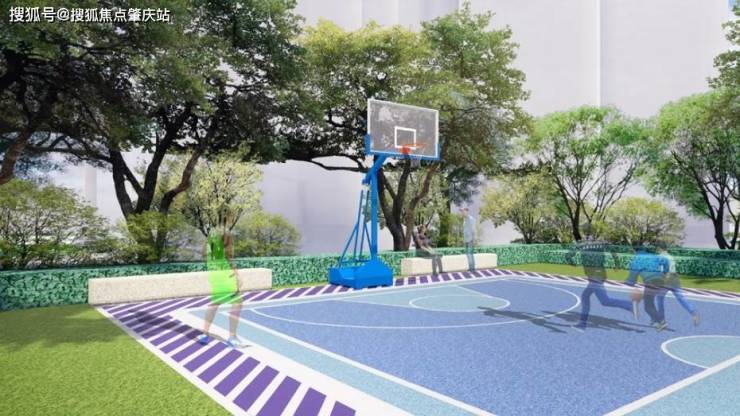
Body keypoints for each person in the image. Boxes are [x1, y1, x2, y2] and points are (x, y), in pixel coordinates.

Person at [566, 234, 634, 330]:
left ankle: (629, 305)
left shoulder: (582, 245)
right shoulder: (599, 244)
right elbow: (613, 250)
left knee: (605, 301)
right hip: (598, 274)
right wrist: (616, 263)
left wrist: (572, 262)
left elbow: (568, 256)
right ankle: (582, 323)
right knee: (586, 297)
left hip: (595, 276)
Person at [198, 214, 246, 348]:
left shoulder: (211, 234)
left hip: (214, 273)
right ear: (228, 219)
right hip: (225, 273)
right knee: (237, 303)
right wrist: (236, 274)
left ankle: (204, 334)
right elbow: (229, 256)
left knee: (215, 303)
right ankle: (232, 337)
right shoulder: (226, 233)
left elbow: (203, 253)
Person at [625, 245, 670, 331]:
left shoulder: (636, 259)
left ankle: (661, 321)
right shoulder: (653, 256)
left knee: (647, 306)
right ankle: (654, 318)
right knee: (650, 300)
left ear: (634, 251)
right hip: (661, 280)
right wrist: (664, 272)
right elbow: (665, 261)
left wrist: (629, 283)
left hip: (650, 282)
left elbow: (632, 277)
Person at [656, 243, 700, 326]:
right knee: (681, 298)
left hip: (667, 280)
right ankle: (693, 312)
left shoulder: (660, 257)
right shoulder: (671, 257)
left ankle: (662, 321)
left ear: (659, 248)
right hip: (675, 280)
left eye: (657, 248)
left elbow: (661, 271)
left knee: (659, 298)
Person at [460, 207, 476, 272]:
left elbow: (473, 230)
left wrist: (473, 238)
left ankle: (472, 268)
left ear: (467, 212)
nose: (462, 213)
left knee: (470, 254)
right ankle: (470, 267)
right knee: (468, 254)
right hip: (466, 239)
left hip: (470, 239)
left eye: (464, 211)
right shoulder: (465, 220)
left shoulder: (470, 218)